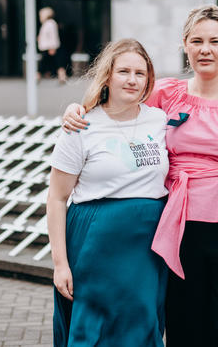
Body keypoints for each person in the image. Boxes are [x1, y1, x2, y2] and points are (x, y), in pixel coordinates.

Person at [63, 4, 218, 346]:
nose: (205, 49)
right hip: (178, 232)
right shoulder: (167, 93)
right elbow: (116, 100)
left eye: (214, 41)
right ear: (185, 45)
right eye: (196, 41)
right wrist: (77, 109)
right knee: (184, 333)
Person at [47, 38, 169, 346]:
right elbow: (57, 198)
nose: (132, 80)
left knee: (142, 327)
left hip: (147, 249)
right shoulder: (82, 125)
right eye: (124, 71)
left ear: (149, 79)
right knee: (94, 331)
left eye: (140, 73)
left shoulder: (160, 119)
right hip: (95, 245)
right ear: (108, 76)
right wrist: (60, 264)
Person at [37, 7, 67, 84]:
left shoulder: (50, 23)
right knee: (55, 62)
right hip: (47, 47)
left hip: (49, 47)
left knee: (47, 63)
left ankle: (37, 76)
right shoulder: (48, 23)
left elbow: (53, 36)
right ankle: (62, 76)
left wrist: (53, 47)